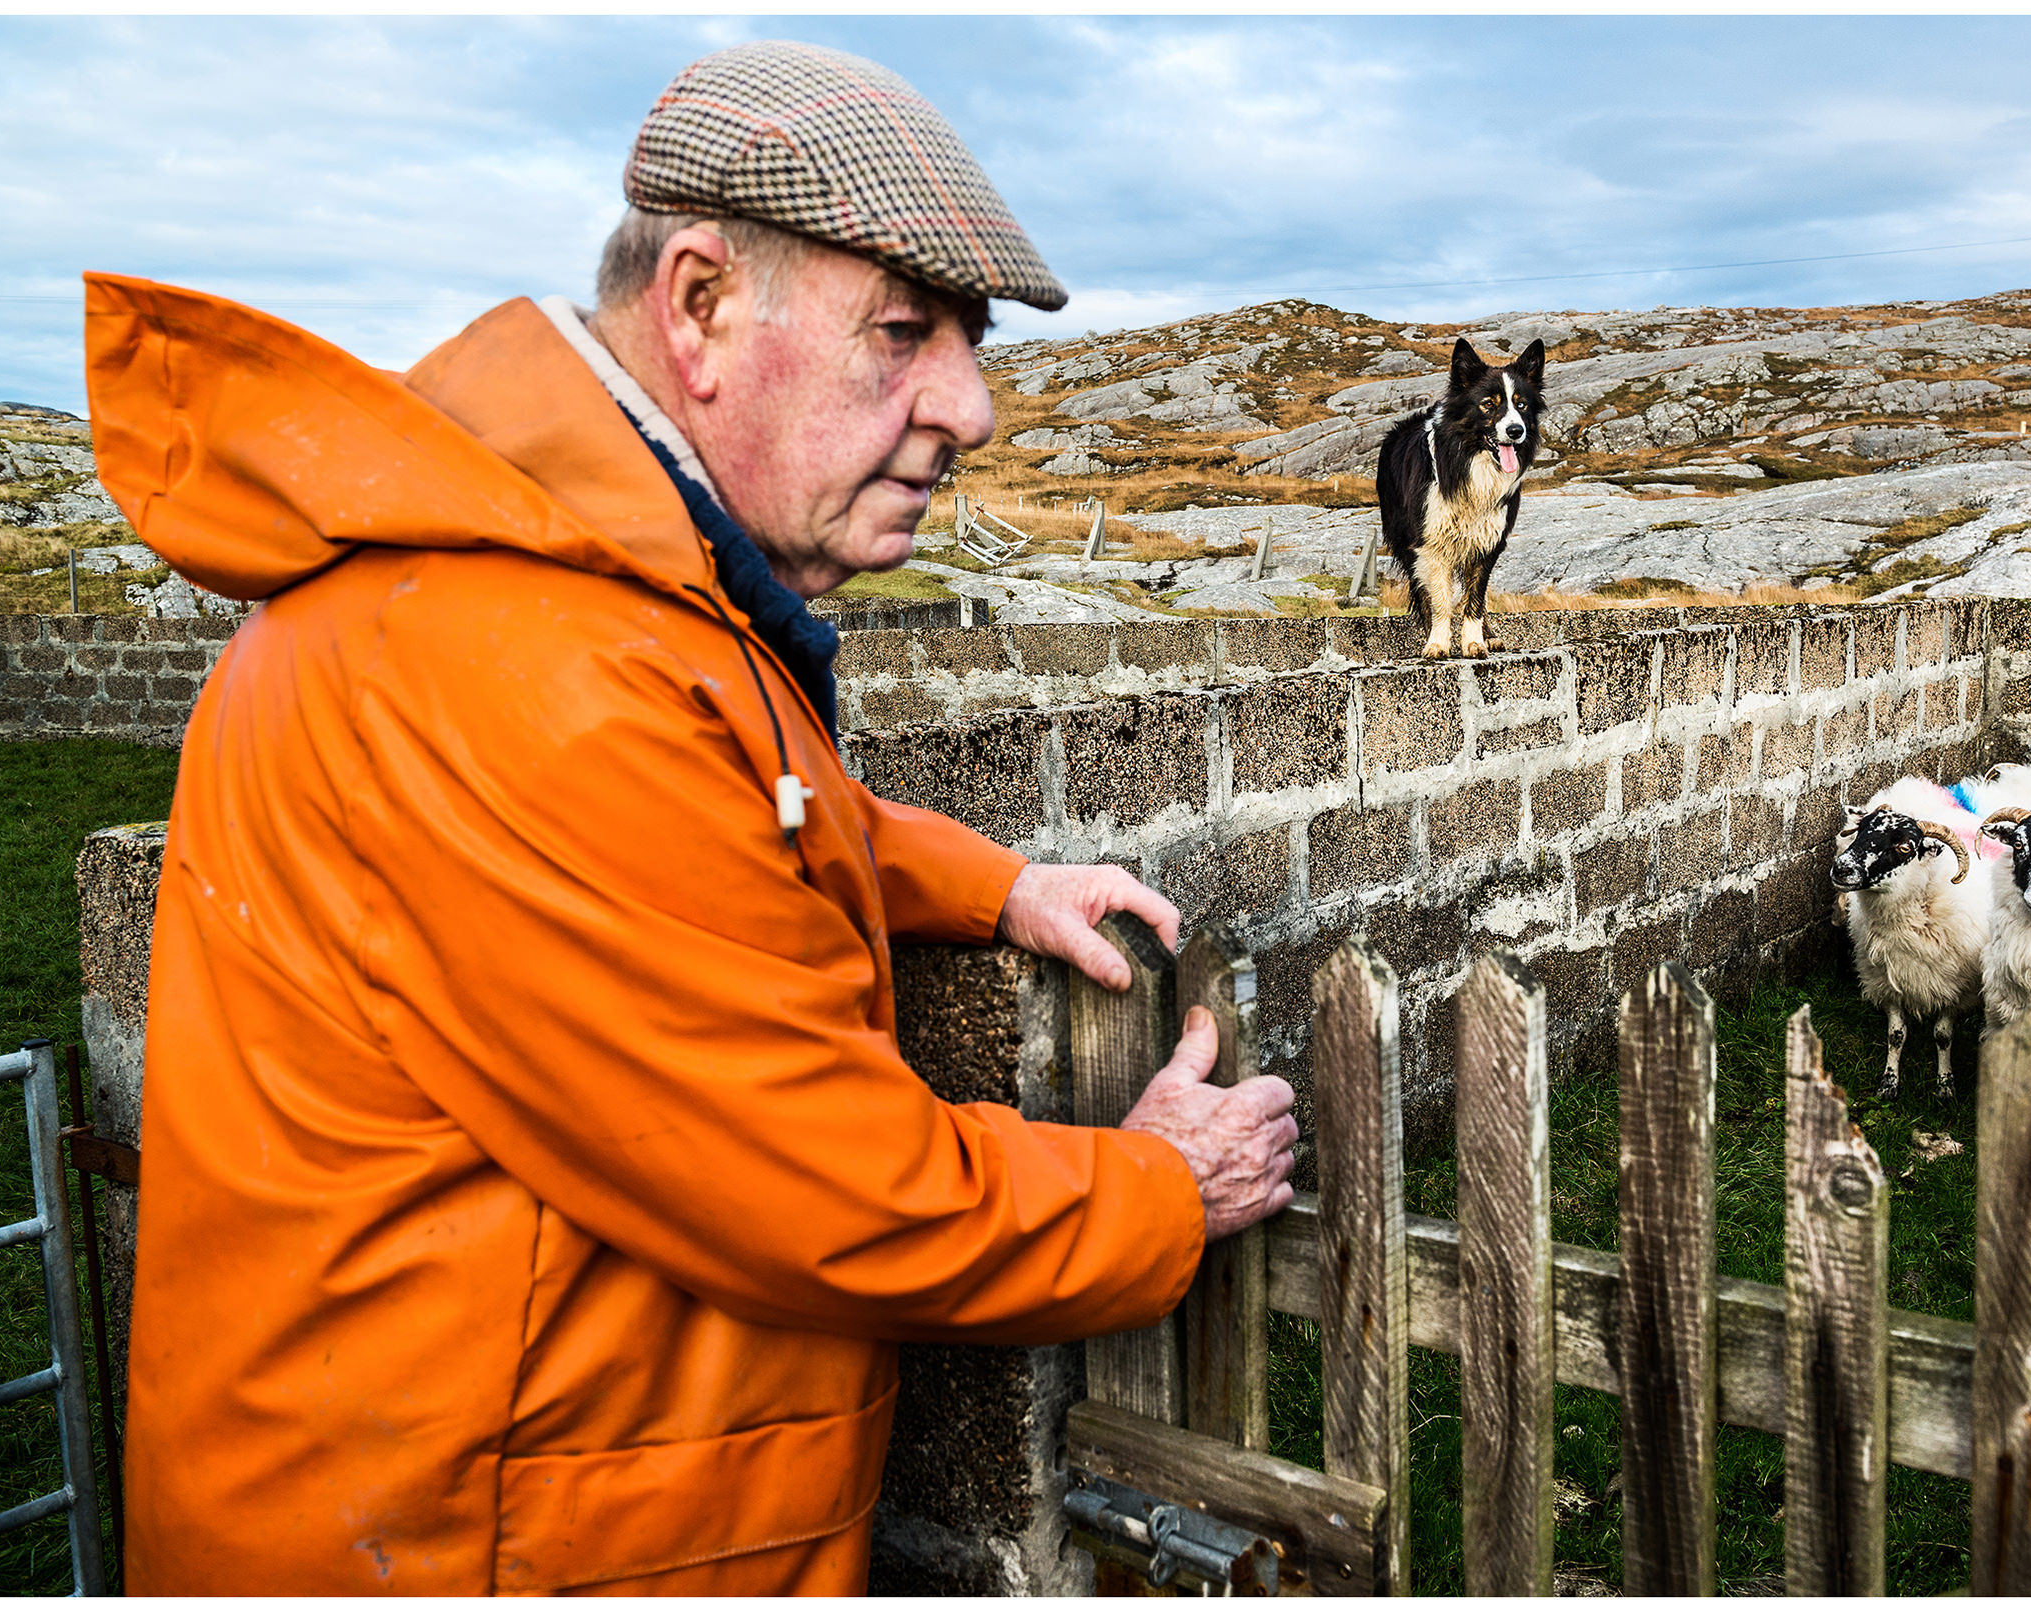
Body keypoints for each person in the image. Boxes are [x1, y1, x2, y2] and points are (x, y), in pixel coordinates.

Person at [87, 40, 1296, 1595]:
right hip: (481, 1549)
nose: (973, 407)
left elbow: (731, 823)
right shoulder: (522, 664)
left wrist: (985, 884)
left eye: (967, 344)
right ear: (704, 306)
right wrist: (1156, 1193)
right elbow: (825, 1182)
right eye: (905, 332)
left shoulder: (580, 597)